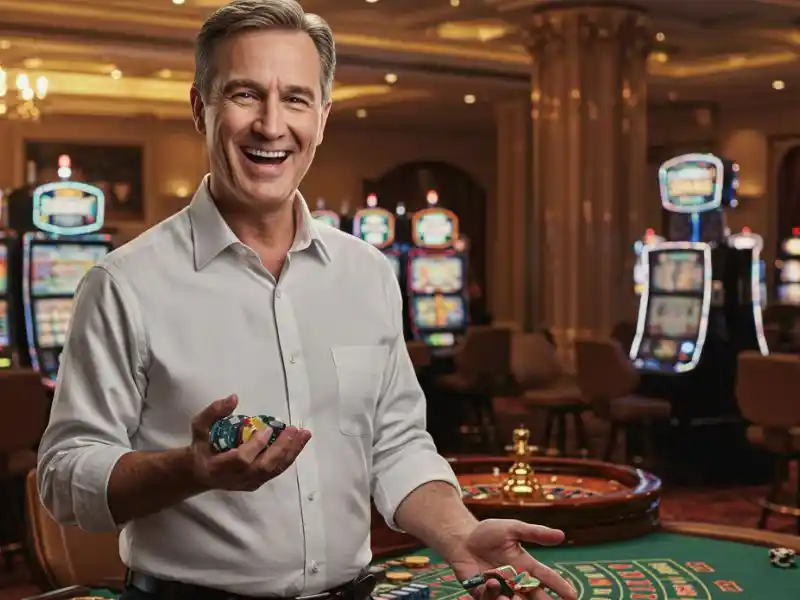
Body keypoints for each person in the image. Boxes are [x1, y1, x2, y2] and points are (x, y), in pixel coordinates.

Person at [36, 1, 576, 600]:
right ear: (200, 108)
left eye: (295, 99)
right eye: (245, 94)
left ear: (322, 117)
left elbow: (395, 444)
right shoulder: (123, 282)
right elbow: (63, 476)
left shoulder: (368, 274)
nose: (271, 125)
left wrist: (460, 534)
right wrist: (188, 469)